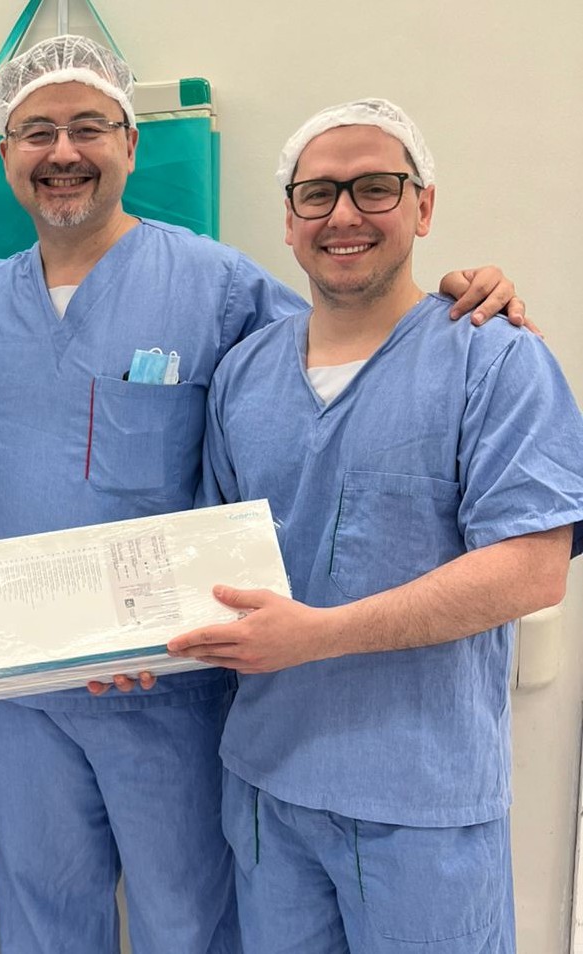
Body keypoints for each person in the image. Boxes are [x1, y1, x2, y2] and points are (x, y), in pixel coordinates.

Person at [0, 37, 527, 954]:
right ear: (5, 154)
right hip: (25, 690)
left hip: (172, 688)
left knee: (188, 920)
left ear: (131, 143)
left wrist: (464, 296)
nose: (62, 151)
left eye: (88, 126)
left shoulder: (215, 285)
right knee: (39, 916)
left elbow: (352, 335)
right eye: (37, 131)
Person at [169, 98, 583, 953]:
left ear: (422, 206)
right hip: (266, 787)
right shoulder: (244, 374)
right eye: (317, 193)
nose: (344, 214)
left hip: (420, 805)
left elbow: (530, 568)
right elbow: (210, 562)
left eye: (375, 188)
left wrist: (317, 636)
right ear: (288, 220)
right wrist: (117, 651)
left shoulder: (494, 357)